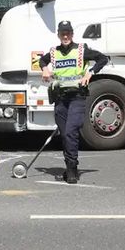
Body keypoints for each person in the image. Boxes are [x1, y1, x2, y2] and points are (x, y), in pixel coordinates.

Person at [39, 20, 108, 184]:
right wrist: (45, 69)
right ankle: (69, 164)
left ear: (72, 34)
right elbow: (42, 61)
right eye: (62, 33)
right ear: (58, 35)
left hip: (77, 96)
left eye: (68, 33)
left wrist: (90, 73)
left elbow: (102, 59)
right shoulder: (54, 52)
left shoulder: (81, 50)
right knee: (65, 135)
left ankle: (72, 169)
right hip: (60, 98)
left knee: (71, 131)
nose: (65, 36)